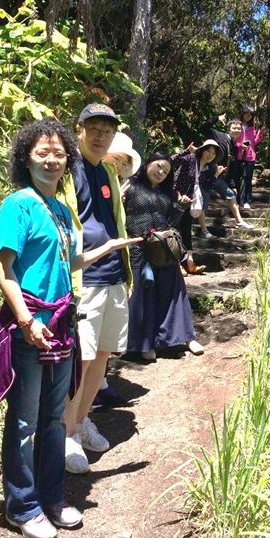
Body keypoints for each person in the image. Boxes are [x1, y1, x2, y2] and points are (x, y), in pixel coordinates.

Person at [0, 118, 139, 538]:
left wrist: (108, 248)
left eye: (58, 154)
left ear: (67, 161)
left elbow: (68, 264)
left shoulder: (62, 211)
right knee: (26, 419)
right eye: (42, 153)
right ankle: (22, 506)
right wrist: (26, 321)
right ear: (26, 158)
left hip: (62, 325)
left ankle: (51, 497)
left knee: (51, 419)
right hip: (29, 326)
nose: (51, 160)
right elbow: (4, 267)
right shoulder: (19, 205)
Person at [60, 103, 134, 474]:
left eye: (107, 129)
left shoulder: (107, 170)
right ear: (80, 129)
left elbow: (115, 221)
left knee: (103, 356)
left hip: (113, 275)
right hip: (83, 277)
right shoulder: (66, 168)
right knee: (82, 359)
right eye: (94, 127)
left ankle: (82, 419)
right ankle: (67, 434)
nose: (101, 134)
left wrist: (126, 275)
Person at [123, 152, 204, 362]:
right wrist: (119, 198)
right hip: (137, 249)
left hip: (163, 247)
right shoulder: (130, 187)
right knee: (143, 297)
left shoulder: (168, 192)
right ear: (148, 163)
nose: (161, 172)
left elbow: (170, 222)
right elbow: (118, 217)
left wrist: (180, 206)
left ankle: (184, 338)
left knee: (174, 290)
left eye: (166, 171)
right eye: (159, 166)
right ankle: (144, 344)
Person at [93, 131, 143, 410]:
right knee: (88, 348)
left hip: (113, 269)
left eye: (124, 163)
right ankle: (82, 410)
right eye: (118, 159)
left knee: (104, 344)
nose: (120, 167)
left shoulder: (112, 182)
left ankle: (100, 386)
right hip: (90, 271)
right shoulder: (89, 176)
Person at [172, 139, 222, 274]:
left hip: (190, 201)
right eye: (208, 151)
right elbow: (171, 162)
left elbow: (206, 188)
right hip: (176, 199)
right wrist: (186, 151)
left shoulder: (207, 169)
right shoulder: (190, 159)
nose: (210, 155)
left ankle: (190, 263)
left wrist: (216, 175)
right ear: (202, 150)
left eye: (213, 153)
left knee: (186, 231)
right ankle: (176, 264)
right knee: (174, 231)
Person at [199, 113, 254, 231]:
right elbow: (203, 128)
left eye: (239, 129)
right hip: (207, 175)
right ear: (228, 129)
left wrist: (233, 185)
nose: (237, 131)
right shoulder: (219, 136)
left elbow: (232, 166)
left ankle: (239, 221)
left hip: (219, 177)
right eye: (234, 128)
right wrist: (217, 118)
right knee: (203, 201)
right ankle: (204, 230)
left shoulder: (234, 146)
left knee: (230, 194)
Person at [237, 105, 264, 209]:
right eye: (246, 114)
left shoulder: (252, 128)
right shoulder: (237, 125)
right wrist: (240, 146)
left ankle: (247, 201)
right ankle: (238, 200)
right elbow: (233, 140)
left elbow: (255, 142)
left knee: (248, 179)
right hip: (238, 155)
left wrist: (260, 133)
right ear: (242, 114)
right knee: (238, 178)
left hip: (250, 156)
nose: (248, 116)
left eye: (250, 115)